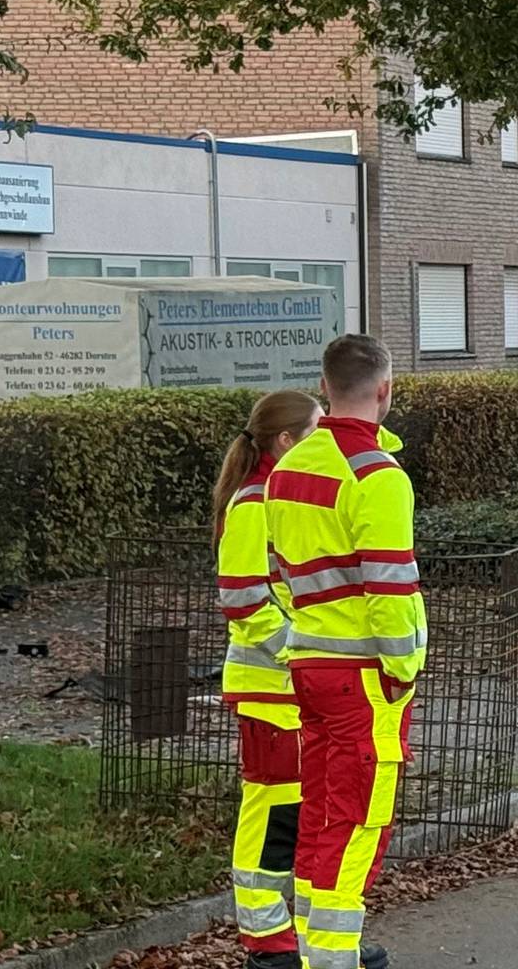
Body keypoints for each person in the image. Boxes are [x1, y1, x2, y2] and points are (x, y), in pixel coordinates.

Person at [266, 334, 424, 969]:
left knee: (323, 813)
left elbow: (278, 574)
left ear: (323, 387)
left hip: (311, 664)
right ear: (385, 390)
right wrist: (402, 666)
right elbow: (391, 584)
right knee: (358, 822)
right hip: (365, 676)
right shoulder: (377, 475)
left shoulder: (287, 468)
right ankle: (334, 957)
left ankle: (319, 952)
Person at [211, 389, 322, 968]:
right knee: (273, 814)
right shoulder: (254, 504)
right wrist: (299, 653)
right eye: (316, 431)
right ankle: (267, 941)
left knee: (294, 815)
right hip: (271, 689)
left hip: (289, 688)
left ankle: (291, 937)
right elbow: (243, 600)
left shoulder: (275, 497)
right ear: (285, 441)